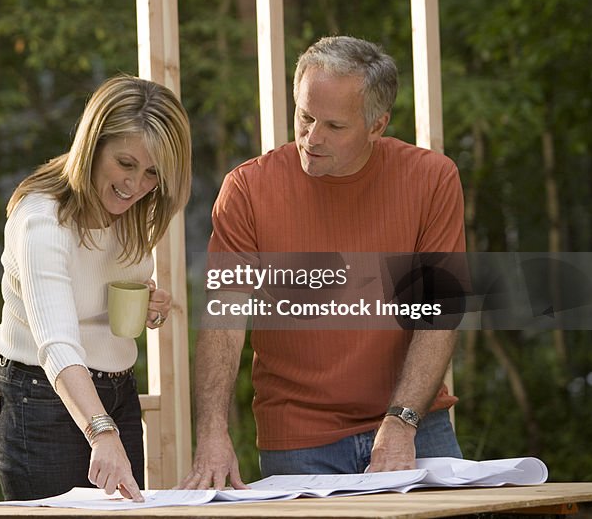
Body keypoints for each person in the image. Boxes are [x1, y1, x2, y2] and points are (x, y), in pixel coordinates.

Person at [181, 35, 465, 488]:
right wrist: (212, 431)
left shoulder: (431, 179)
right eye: (305, 117)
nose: (311, 138)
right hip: (300, 441)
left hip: (415, 424)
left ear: (377, 125)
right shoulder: (248, 190)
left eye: (334, 126)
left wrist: (402, 420)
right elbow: (225, 320)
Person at [0, 74, 192, 501]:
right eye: (126, 164)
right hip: (41, 399)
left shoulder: (129, 214)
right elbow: (57, 344)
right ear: (92, 145)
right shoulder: (42, 221)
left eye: (153, 173)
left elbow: (98, 295)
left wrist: (147, 303)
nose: (136, 186)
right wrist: (101, 431)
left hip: (118, 392)